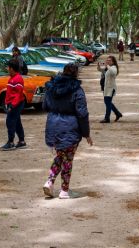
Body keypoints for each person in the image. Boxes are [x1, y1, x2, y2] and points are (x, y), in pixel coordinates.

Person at [43, 63, 93, 199]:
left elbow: (45, 105)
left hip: (53, 126)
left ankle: (49, 181)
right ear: (76, 74)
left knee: (60, 156)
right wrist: (86, 134)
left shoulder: (51, 87)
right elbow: (82, 113)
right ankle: (64, 190)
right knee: (68, 159)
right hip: (69, 127)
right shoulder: (77, 90)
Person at [1, 58, 26, 151]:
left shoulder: (18, 79)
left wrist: (12, 105)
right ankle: (22, 141)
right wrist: (6, 103)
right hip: (12, 104)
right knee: (17, 122)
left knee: (10, 122)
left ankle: (11, 142)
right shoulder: (12, 78)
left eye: (8, 67)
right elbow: (10, 93)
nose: (7, 69)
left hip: (16, 104)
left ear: (11, 68)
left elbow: (18, 95)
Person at [98, 55, 122, 123]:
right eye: (107, 60)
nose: (108, 61)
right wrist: (99, 66)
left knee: (108, 103)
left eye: (109, 60)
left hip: (111, 88)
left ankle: (107, 118)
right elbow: (100, 70)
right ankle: (118, 114)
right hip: (106, 88)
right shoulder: (108, 67)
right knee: (108, 102)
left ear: (113, 62)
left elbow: (113, 72)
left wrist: (107, 66)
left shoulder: (114, 67)